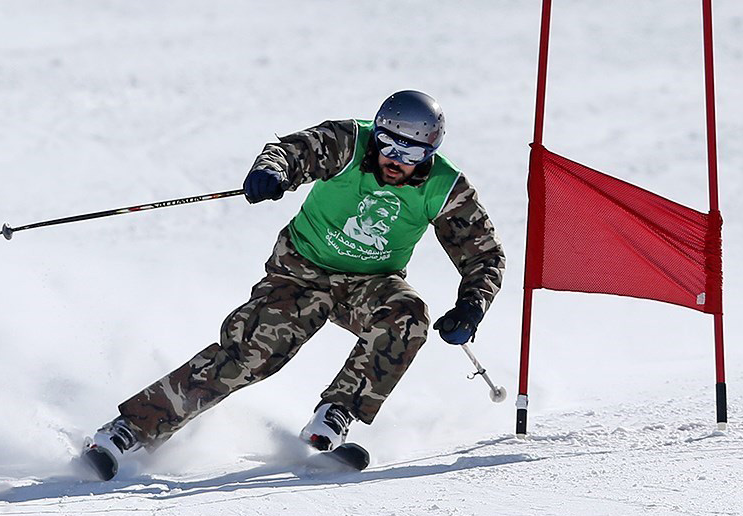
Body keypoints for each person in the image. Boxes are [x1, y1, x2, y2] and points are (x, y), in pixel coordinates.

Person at [84, 90, 505, 478]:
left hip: (371, 283)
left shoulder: (445, 188)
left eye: (410, 150)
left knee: (407, 317)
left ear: (430, 151)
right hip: (299, 273)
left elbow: (484, 256)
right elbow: (291, 151)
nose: (395, 158)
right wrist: (272, 171)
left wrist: (471, 306)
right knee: (251, 354)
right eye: (388, 143)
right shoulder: (348, 142)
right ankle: (129, 431)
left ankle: (336, 414)